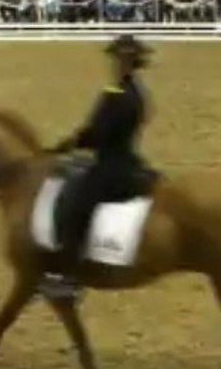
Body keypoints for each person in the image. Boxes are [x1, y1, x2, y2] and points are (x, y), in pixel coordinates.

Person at [40, 34, 155, 300]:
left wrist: (66, 146)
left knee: (73, 201)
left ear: (125, 60)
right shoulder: (138, 91)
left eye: (116, 59)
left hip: (111, 166)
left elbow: (96, 131)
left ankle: (68, 276)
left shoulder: (116, 92)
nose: (113, 63)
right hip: (130, 160)